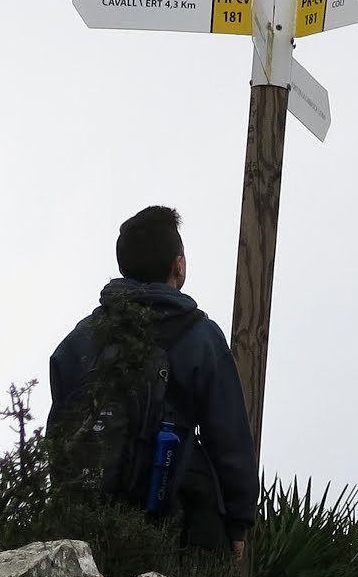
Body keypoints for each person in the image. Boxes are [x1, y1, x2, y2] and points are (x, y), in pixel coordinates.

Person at [48, 205, 258, 556]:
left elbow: (59, 432)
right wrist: (238, 521)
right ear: (178, 264)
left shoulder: (80, 338)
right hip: (177, 522)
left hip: (88, 522)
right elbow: (229, 435)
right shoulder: (201, 337)